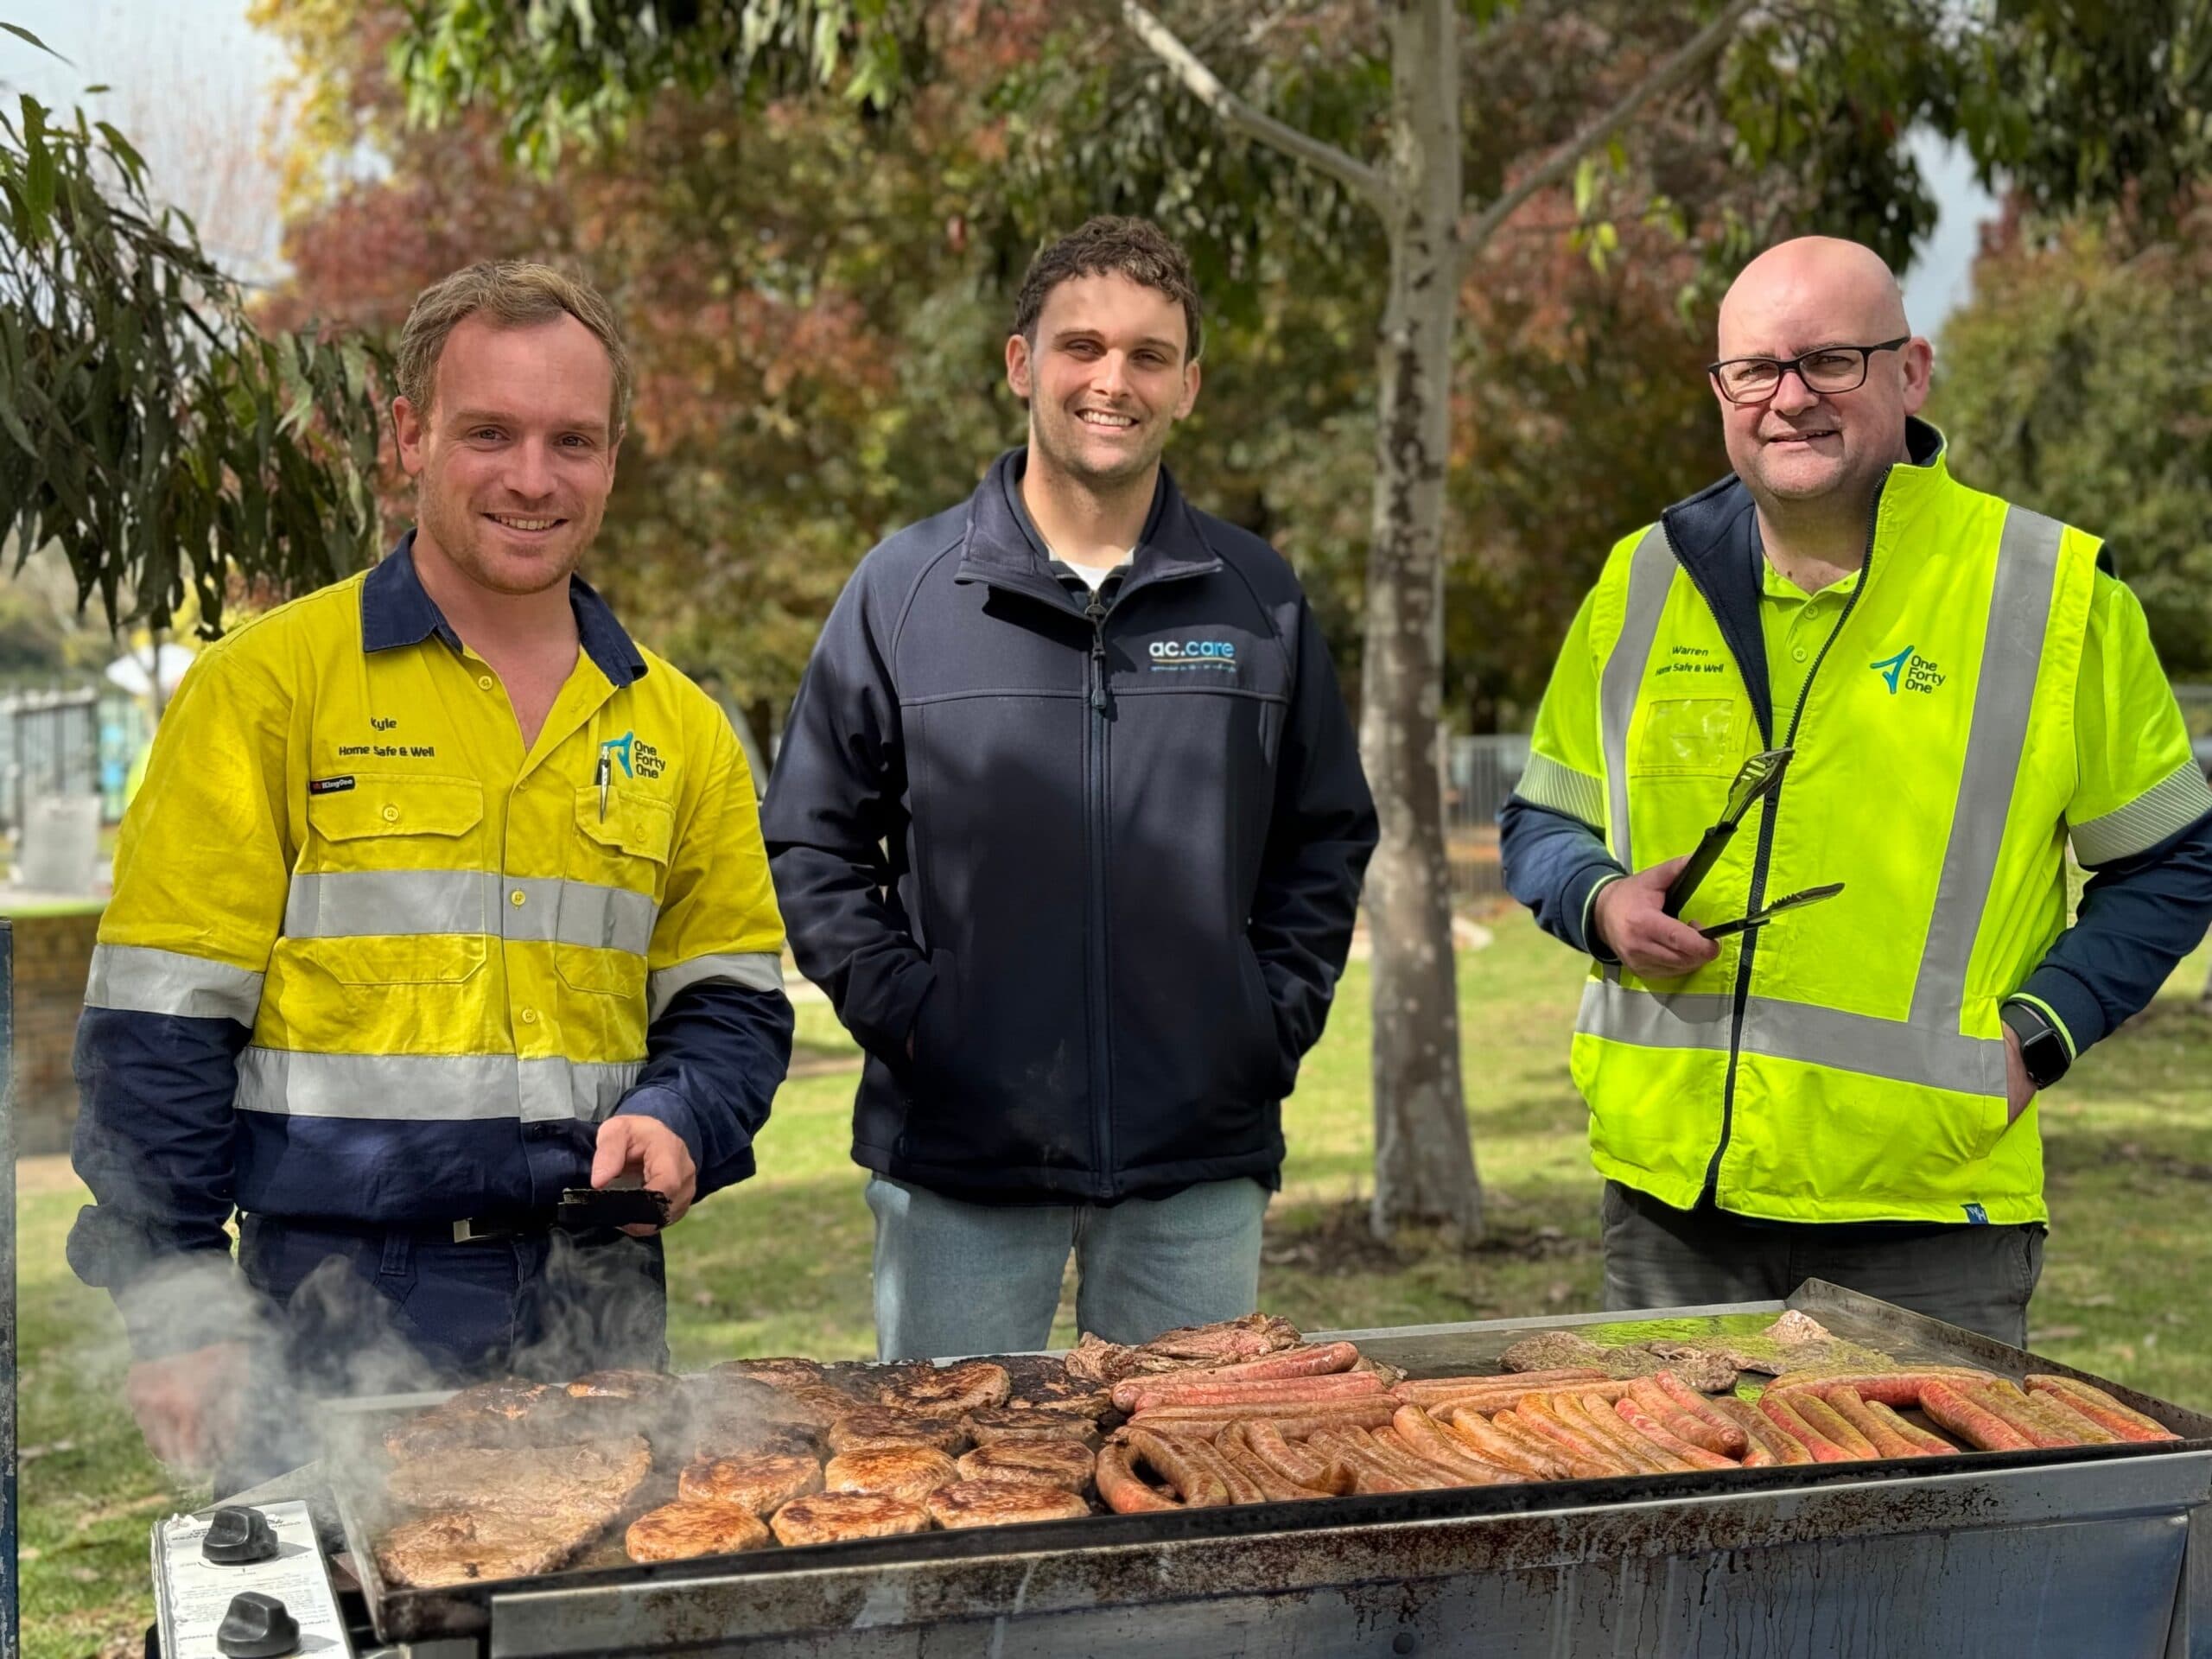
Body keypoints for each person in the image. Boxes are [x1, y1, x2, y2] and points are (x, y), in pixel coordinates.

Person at [68, 261, 793, 1493]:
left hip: (600, 1286)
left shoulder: (682, 730)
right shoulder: (267, 688)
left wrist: (681, 1118)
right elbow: (158, 1018)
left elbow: (732, 1003)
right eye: (489, 434)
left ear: (613, 455)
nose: (532, 477)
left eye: (573, 440)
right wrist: (177, 1302)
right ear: (409, 438)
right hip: (337, 1298)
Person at [1499, 234, 2212, 1347]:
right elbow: (1543, 817)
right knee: (1683, 1524)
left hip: (1929, 1223)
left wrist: (2041, 1034)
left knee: (1912, 1525)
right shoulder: (1639, 579)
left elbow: (2171, 856)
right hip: (1671, 1215)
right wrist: (1597, 900)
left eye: (1830, 361)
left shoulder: (2050, 591)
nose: (1788, 399)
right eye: (1754, 371)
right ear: (1721, 389)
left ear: (1911, 370)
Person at [763, 217, 1376, 1360]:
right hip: (960, 1161)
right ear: (1020, 364)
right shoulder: (904, 591)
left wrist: (1261, 1026)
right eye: (1081, 347)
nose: (1113, 380)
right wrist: (917, 1022)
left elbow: (1324, 837)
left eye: (1150, 356)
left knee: (1183, 1493)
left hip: (1195, 1163)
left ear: (1188, 385)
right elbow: (812, 842)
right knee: (951, 1495)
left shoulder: (1258, 598)